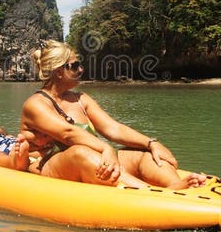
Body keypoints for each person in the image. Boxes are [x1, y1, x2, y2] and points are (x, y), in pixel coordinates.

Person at [20, 40, 206, 190]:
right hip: (48, 164)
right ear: (59, 72)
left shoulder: (80, 99)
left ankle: (175, 186)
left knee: (143, 154)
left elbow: (113, 128)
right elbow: (68, 133)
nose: (81, 69)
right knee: (80, 152)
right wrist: (106, 149)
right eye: (75, 66)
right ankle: (152, 194)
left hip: (94, 158)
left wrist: (151, 143)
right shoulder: (35, 105)